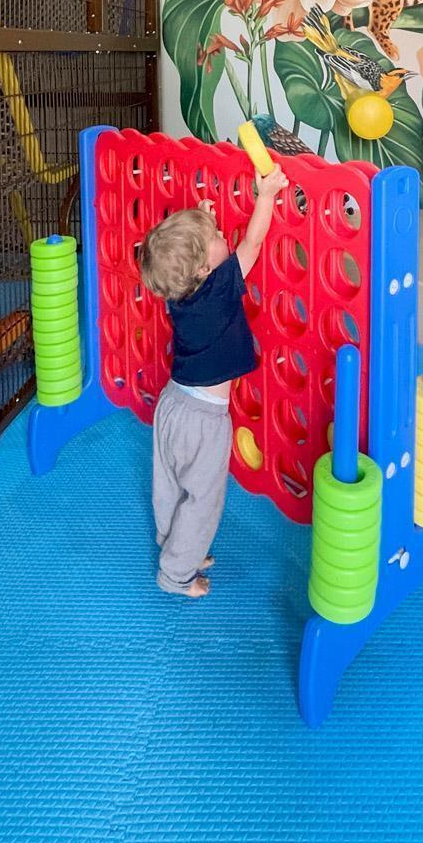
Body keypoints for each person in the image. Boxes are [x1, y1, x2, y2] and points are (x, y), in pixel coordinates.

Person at [138, 165, 288, 597]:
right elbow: (253, 243)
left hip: (171, 405)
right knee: (203, 501)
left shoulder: (179, 292)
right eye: (217, 237)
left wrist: (203, 222)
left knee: (168, 484)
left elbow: (198, 256)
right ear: (205, 267)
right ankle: (176, 575)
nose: (226, 236)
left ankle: (175, 543)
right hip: (203, 420)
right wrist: (267, 195)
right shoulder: (220, 287)